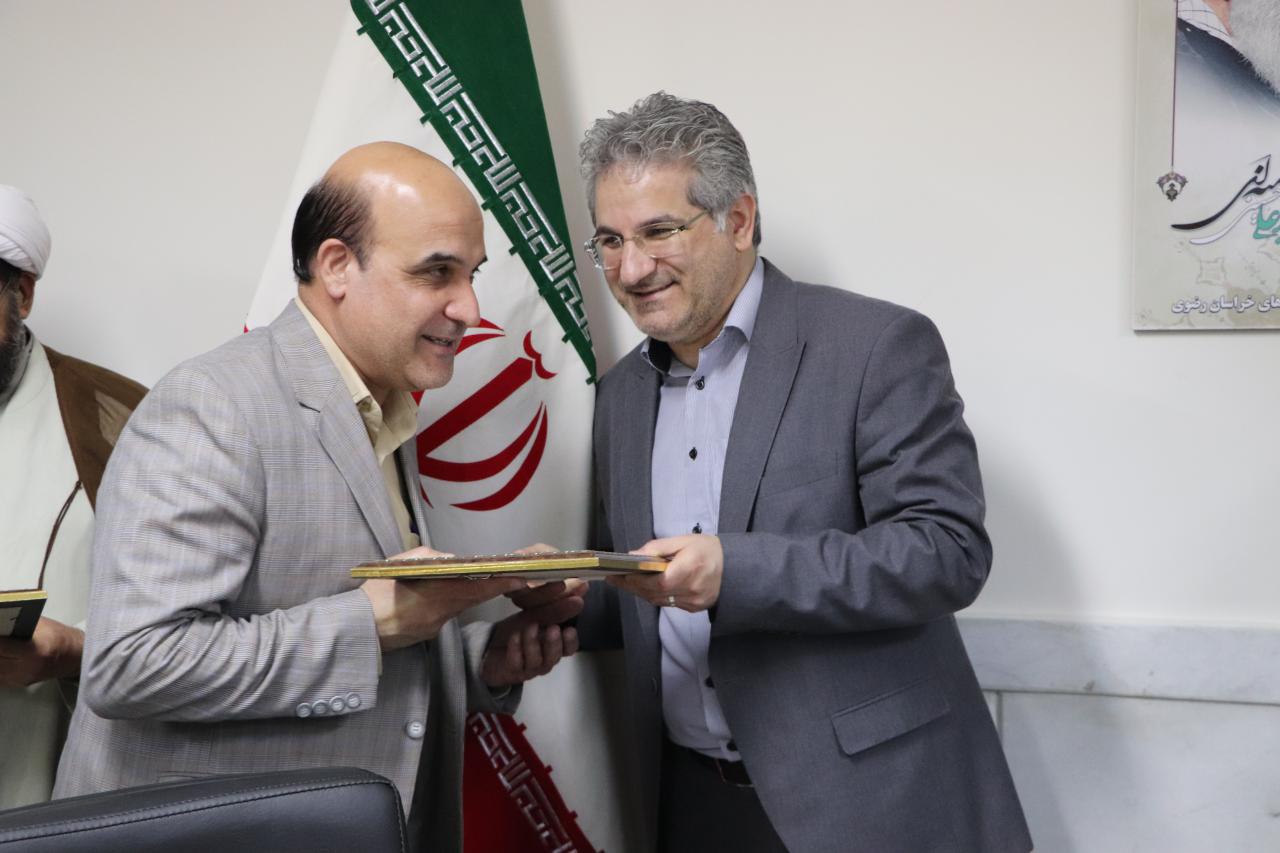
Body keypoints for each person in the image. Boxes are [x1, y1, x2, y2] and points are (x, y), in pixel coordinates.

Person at [53, 143, 580, 853]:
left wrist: (482, 660)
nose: (469, 307)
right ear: (335, 266)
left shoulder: (381, 404)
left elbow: (339, 619)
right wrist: (374, 623)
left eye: (472, 274)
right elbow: (133, 663)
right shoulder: (212, 404)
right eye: (437, 272)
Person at [574, 93, 1032, 852]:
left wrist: (736, 569)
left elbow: (946, 551)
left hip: (870, 806)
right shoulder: (619, 396)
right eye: (610, 241)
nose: (631, 268)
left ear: (739, 220)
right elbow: (649, 585)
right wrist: (563, 601)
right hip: (691, 803)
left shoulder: (876, 345)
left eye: (658, 232)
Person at [0, 186, 147, 810]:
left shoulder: (126, 418)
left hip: (46, 799)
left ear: (22, 293)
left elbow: (194, 623)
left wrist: (72, 650)